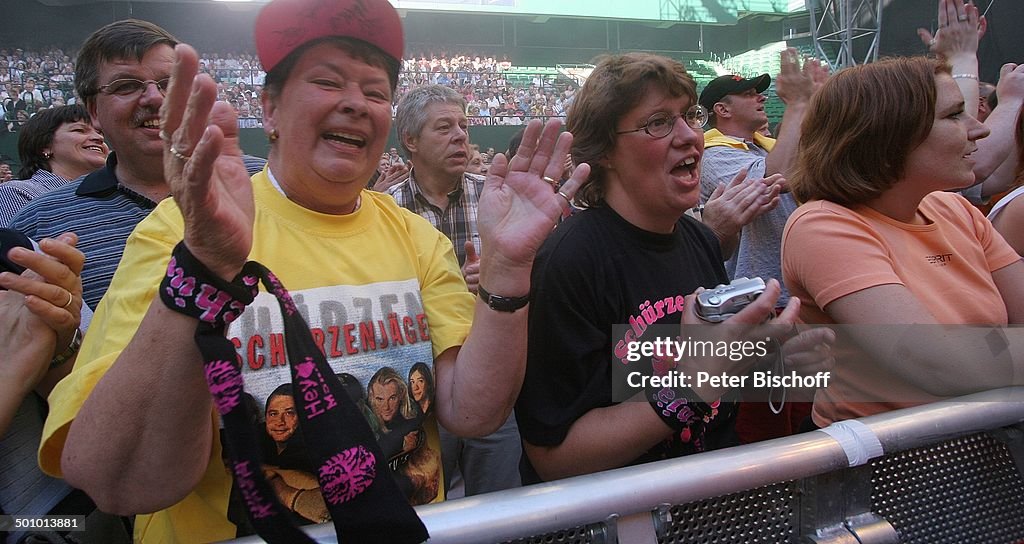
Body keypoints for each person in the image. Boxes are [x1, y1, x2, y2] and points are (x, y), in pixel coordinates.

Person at [40, 0, 585, 541]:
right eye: (327, 82)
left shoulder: (415, 236)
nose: (355, 103)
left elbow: (474, 411)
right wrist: (205, 269)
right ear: (269, 111)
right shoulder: (178, 230)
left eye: (375, 92)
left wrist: (509, 268)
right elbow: (120, 485)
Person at [515, 52, 833, 484]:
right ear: (605, 149)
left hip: (712, 504)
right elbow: (554, 457)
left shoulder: (700, 240)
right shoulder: (569, 262)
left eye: (689, 116)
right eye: (658, 123)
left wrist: (771, 365)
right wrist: (689, 387)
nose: (689, 136)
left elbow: (718, 376)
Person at [782, 56, 1024, 428]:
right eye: (955, 115)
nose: (980, 130)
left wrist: (980, 357)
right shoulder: (824, 225)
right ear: (890, 134)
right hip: (890, 471)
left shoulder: (956, 210)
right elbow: (942, 368)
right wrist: (982, 352)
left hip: (980, 449)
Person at [9, 20, 264, 311]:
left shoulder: (265, 181)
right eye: (127, 86)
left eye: (170, 83)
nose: (155, 98)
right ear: (93, 110)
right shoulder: (40, 223)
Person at [389, 84, 523, 497]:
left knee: (501, 507)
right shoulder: (386, 210)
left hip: (491, 375)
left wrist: (500, 278)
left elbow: (535, 280)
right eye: (444, 127)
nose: (461, 135)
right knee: (425, 503)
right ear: (410, 141)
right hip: (419, 385)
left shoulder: (495, 197)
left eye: (463, 125)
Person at [696, 51, 827, 443]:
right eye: (749, 93)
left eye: (760, 92)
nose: (759, 97)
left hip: (802, 300)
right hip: (761, 309)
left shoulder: (767, 144)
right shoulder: (712, 152)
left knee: (807, 423)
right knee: (765, 434)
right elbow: (776, 180)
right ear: (721, 109)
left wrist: (815, 108)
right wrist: (800, 105)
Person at [0, 104, 108, 225]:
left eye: (100, 132)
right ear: (45, 146)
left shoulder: (115, 194)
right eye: (79, 130)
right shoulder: (16, 192)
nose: (98, 137)